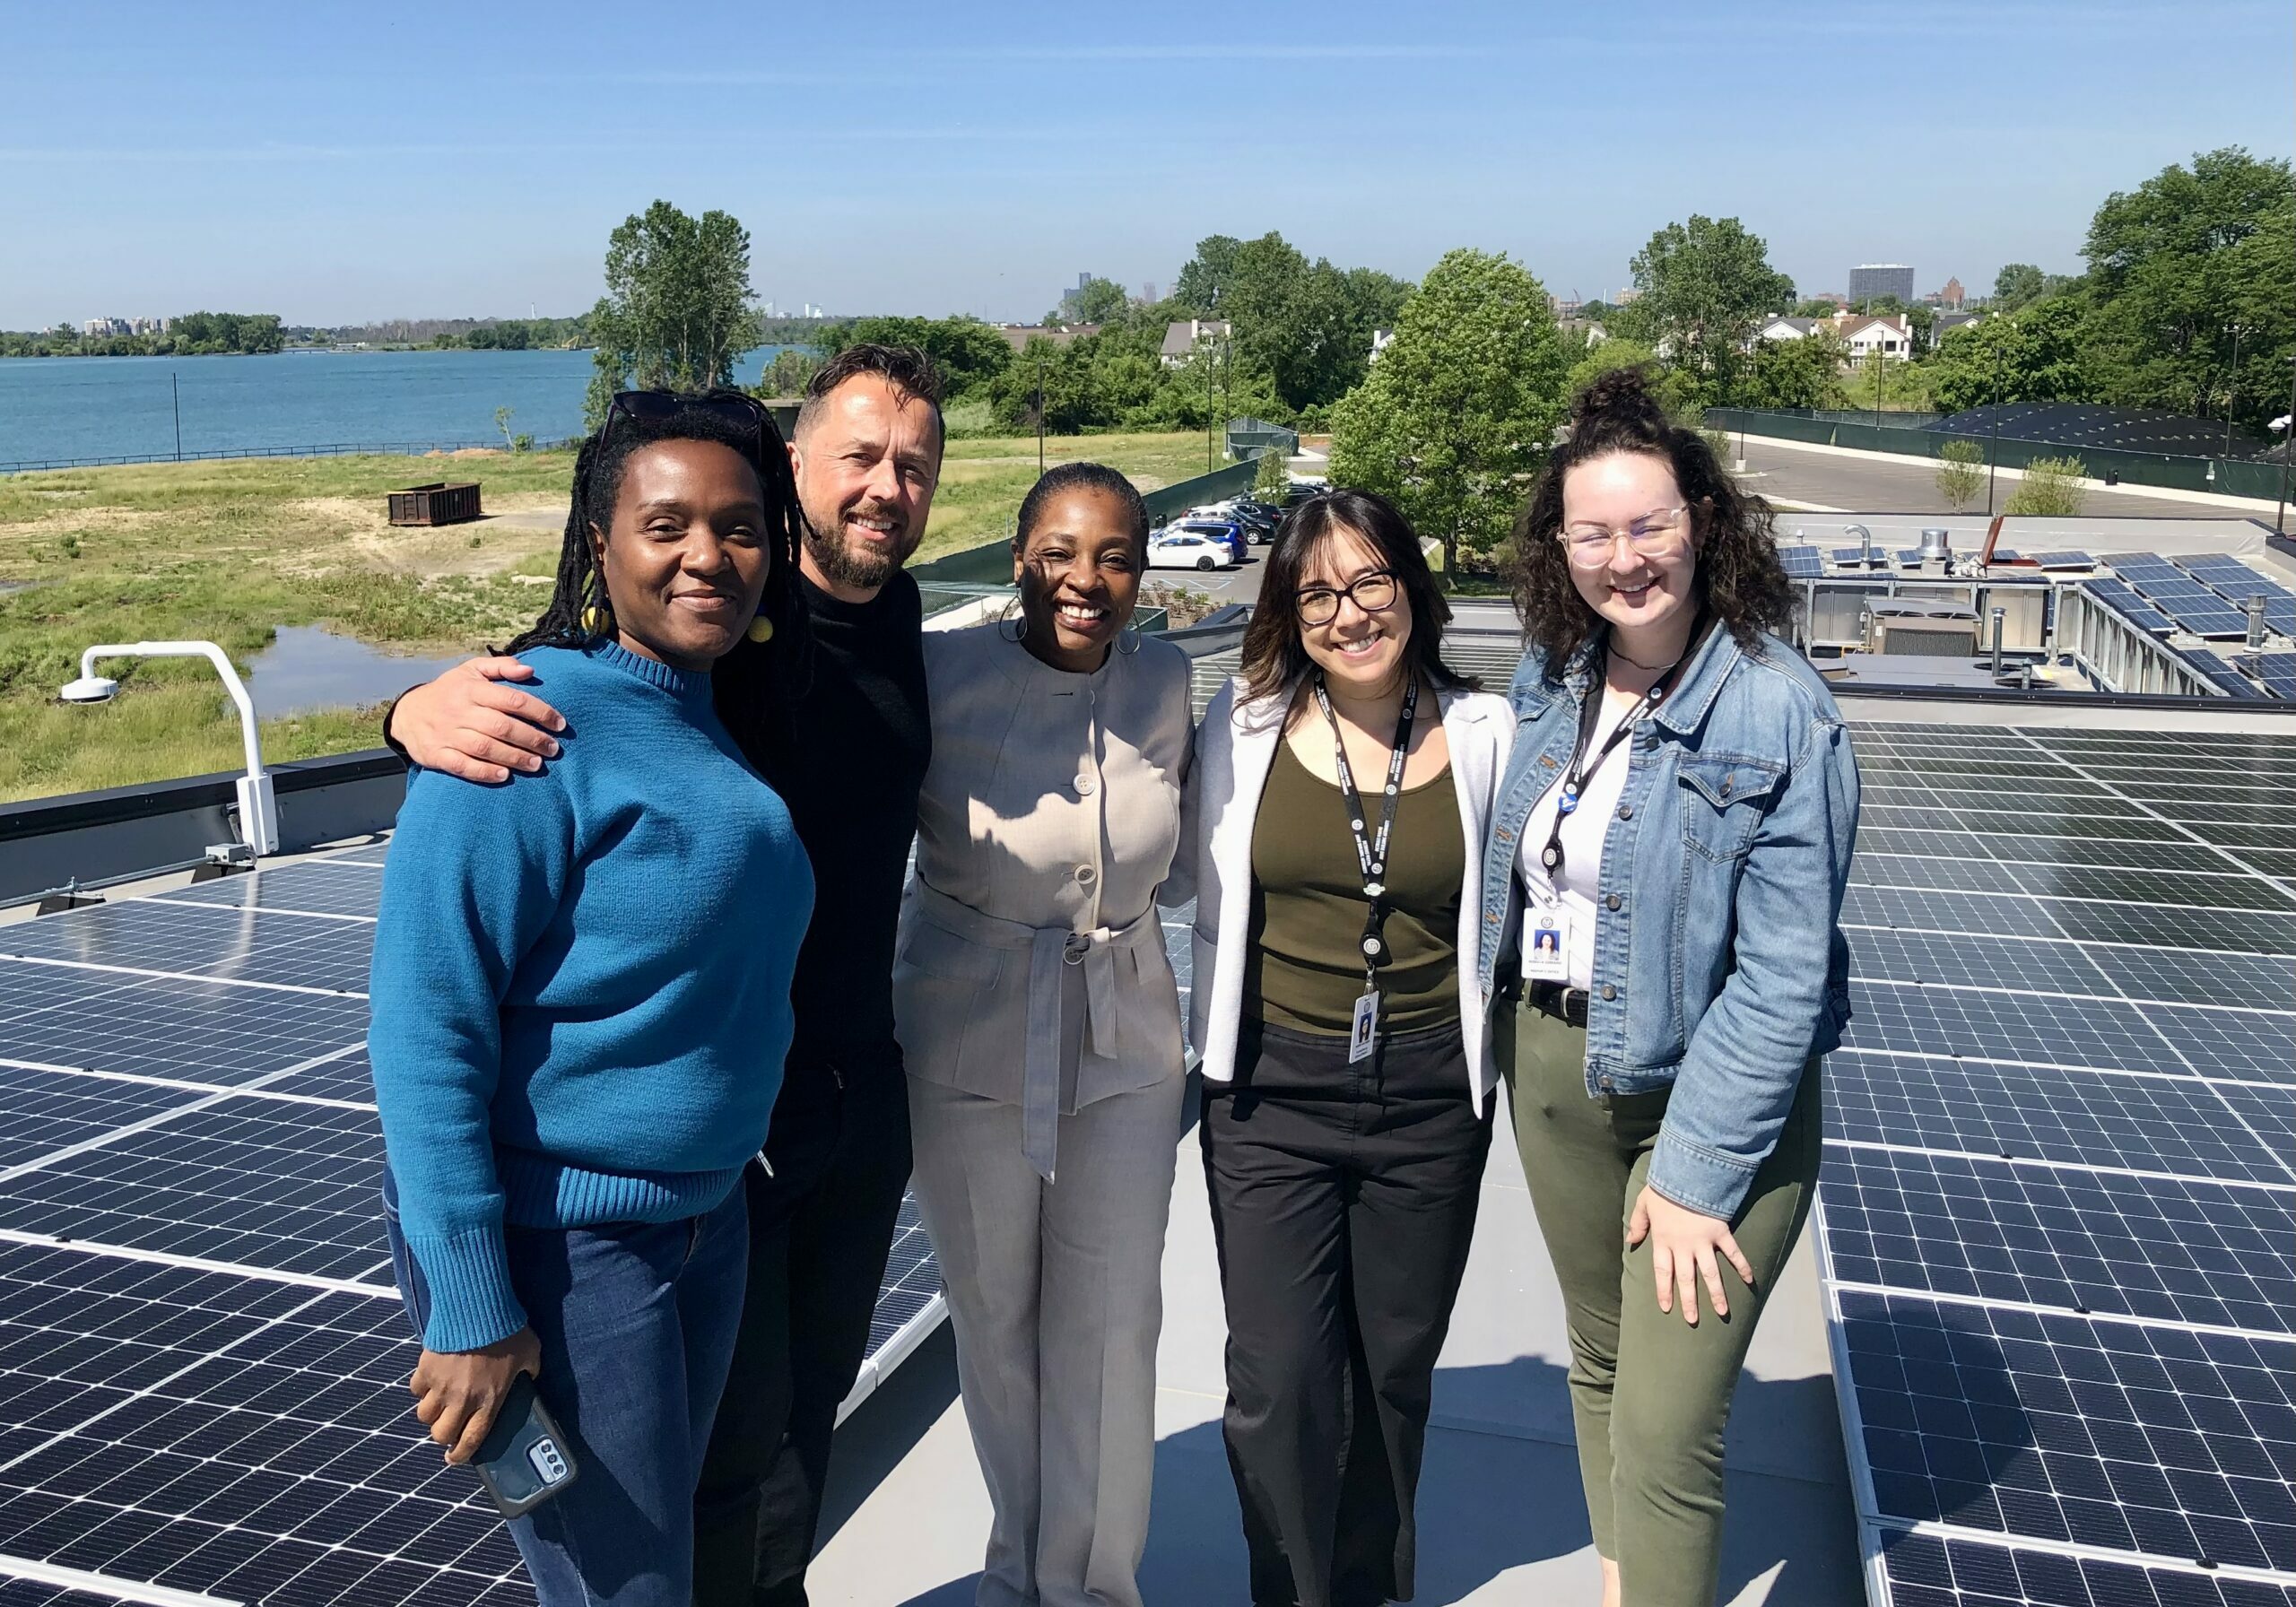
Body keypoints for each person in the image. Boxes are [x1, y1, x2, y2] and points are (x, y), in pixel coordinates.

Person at [380, 344, 944, 1606]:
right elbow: (427, 1029)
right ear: (602, 535)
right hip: (585, 1239)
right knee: (636, 1579)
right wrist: (413, 708)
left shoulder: (745, 673)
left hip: (723, 1202)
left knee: (745, 1498)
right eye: (668, 525)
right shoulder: (530, 719)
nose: (708, 554)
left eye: (732, 530)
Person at [1479, 370, 1858, 1607]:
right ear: (1560, 546)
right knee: (1598, 1361)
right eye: (1593, 532)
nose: (1624, 558)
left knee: (1664, 1426)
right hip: (1555, 1072)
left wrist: (1699, 1173)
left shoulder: (1776, 709)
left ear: (1704, 518)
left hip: (1707, 1103)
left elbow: (1784, 978)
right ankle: (1617, 1585)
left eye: (1649, 525)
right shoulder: (1556, 671)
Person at [1184, 489, 1514, 1607]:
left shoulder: (1485, 734)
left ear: (1411, 588)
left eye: (1370, 580)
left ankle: (1368, 1590)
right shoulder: (1238, 729)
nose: (1349, 611)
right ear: (1288, 609)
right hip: (1270, 1098)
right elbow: (1151, 864)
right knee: (1277, 1382)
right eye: (1316, 591)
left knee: (1393, 1378)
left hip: (1428, 1104)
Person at [895, 462, 1193, 1607]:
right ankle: (1021, 1572)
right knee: (996, 1320)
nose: (1087, 579)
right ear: (1020, 555)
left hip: (1125, 1043)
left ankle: (1097, 1587)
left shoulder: (1166, 679)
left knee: (1113, 1326)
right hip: (966, 1038)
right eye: (1061, 551)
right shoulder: (936, 672)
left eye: (1115, 555)